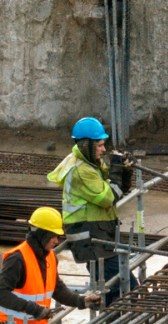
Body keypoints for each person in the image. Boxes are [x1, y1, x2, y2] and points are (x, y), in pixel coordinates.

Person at [48, 117, 131, 302]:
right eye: (100, 145)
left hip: (99, 235)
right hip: (90, 239)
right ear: (86, 145)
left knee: (120, 288)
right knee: (120, 291)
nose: (104, 149)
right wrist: (116, 168)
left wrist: (125, 172)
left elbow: (116, 191)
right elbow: (108, 198)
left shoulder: (91, 162)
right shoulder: (80, 170)